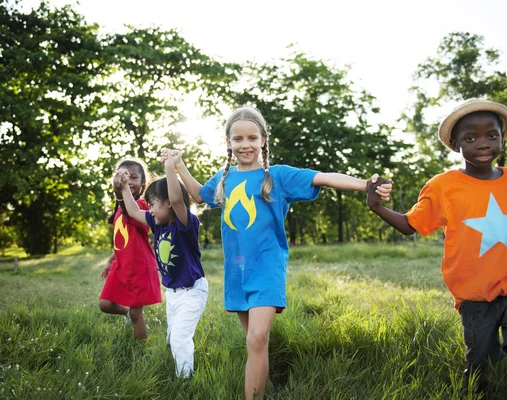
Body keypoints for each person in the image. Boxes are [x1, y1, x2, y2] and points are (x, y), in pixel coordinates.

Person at [163, 105, 392, 400]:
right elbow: (197, 195)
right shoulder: (225, 178)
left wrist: (366, 185)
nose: (245, 145)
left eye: (252, 138)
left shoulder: (279, 176)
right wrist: (179, 167)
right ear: (229, 143)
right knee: (254, 341)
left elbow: (323, 177)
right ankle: (265, 390)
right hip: (237, 269)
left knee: (257, 338)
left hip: (267, 267)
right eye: (238, 139)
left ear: (263, 140)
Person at [366, 98, 507, 393]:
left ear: (502, 137)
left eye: (491, 135)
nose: (483, 143)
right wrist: (377, 207)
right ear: (456, 144)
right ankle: (480, 388)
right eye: (470, 137)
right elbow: (411, 225)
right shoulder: (442, 187)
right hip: (473, 293)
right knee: (480, 364)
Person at [114, 155, 208, 378]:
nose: (150, 210)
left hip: (192, 292)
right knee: (170, 338)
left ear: (168, 203)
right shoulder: (158, 225)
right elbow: (135, 212)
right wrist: (125, 188)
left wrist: (170, 168)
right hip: (173, 294)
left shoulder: (185, 224)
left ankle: (184, 381)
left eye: (154, 204)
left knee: (179, 338)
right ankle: (174, 366)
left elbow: (177, 201)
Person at [99, 159, 162, 341]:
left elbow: (129, 209)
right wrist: (110, 261)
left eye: (133, 177)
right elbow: (122, 241)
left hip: (138, 266)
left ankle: (139, 349)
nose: (129, 181)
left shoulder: (141, 207)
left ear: (143, 183)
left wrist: (121, 189)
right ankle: (126, 312)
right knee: (105, 304)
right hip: (121, 265)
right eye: (124, 176)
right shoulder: (120, 209)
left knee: (136, 314)